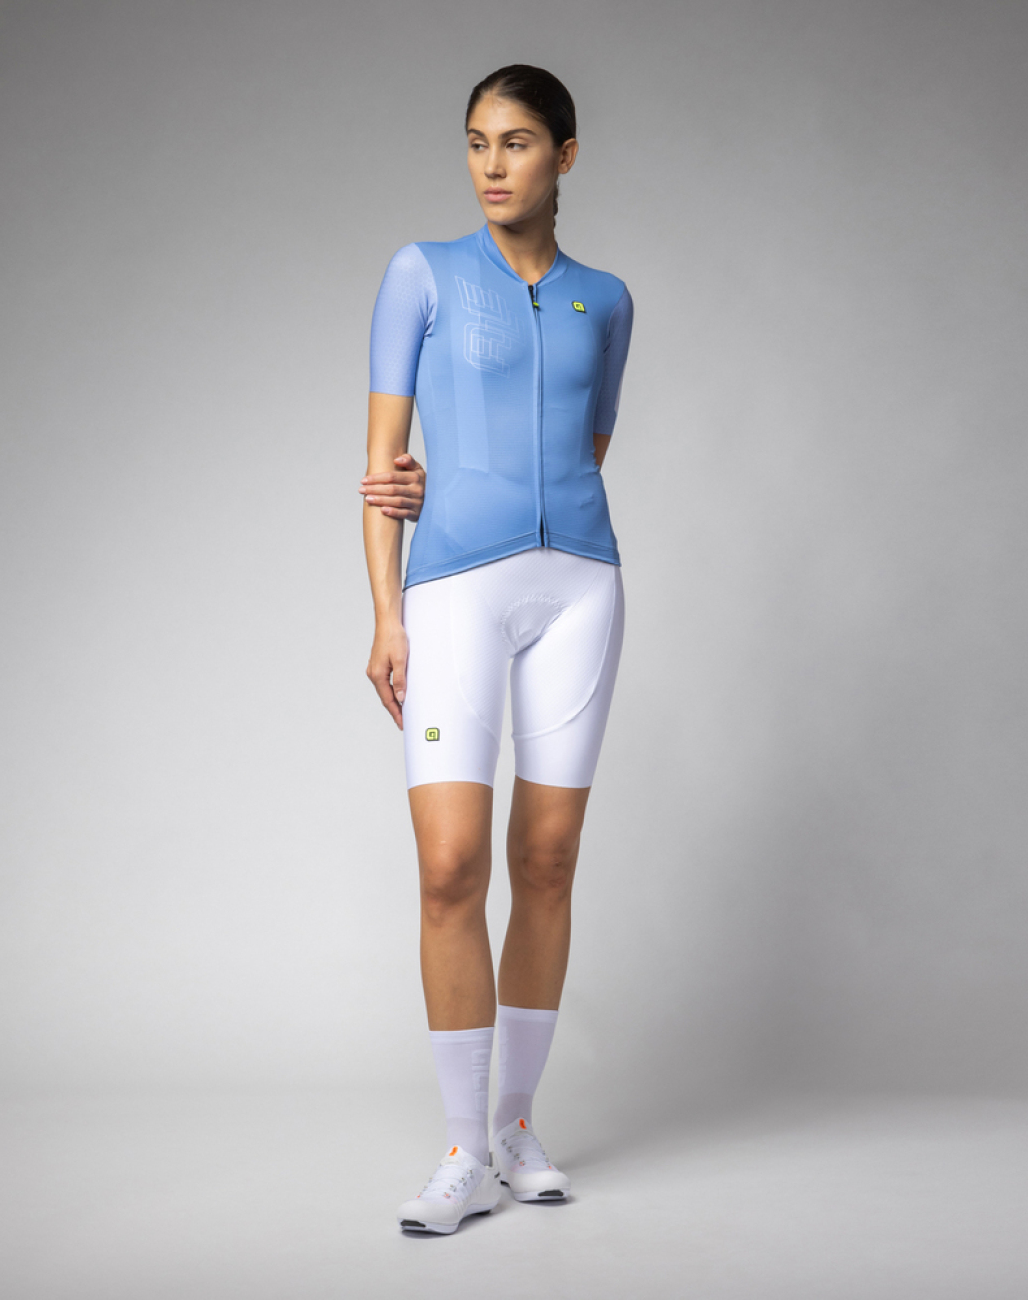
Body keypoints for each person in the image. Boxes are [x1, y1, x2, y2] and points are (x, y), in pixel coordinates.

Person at [360, 64, 634, 1236]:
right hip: (451, 594)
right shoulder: (420, 274)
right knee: (450, 866)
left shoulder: (605, 300)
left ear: (563, 156)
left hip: (578, 585)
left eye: (516, 142)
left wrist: (529, 503)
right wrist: (386, 614)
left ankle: (516, 1127)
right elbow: (382, 469)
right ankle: (463, 1148)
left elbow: (586, 445)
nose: (490, 164)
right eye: (476, 141)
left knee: (550, 857)